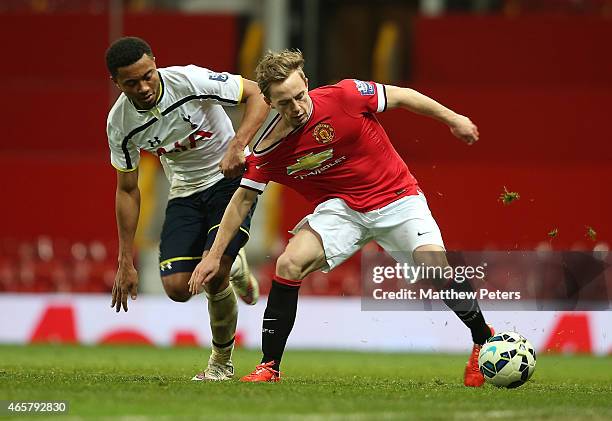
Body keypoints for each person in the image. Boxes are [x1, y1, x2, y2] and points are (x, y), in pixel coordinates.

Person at [188, 49, 493, 386]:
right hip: (342, 209)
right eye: (285, 103)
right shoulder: (267, 150)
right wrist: (215, 255)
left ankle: (482, 338)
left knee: (434, 267)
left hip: (397, 197)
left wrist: (454, 119)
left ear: (305, 81)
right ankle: (269, 366)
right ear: (270, 102)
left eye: (299, 96)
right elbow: (241, 201)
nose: (297, 108)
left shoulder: (346, 95)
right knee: (288, 264)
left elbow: (404, 96)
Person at [105, 37, 269, 381]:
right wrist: (125, 260)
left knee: (213, 274)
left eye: (148, 75)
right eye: (131, 83)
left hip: (229, 179)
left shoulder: (189, 81)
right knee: (179, 289)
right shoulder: (119, 123)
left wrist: (238, 146)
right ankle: (234, 265)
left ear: (155, 63)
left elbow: (256, 93)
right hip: (184, 193)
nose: (144, 86)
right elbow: (128, 189)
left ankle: (220, 363)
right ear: (116, 83)